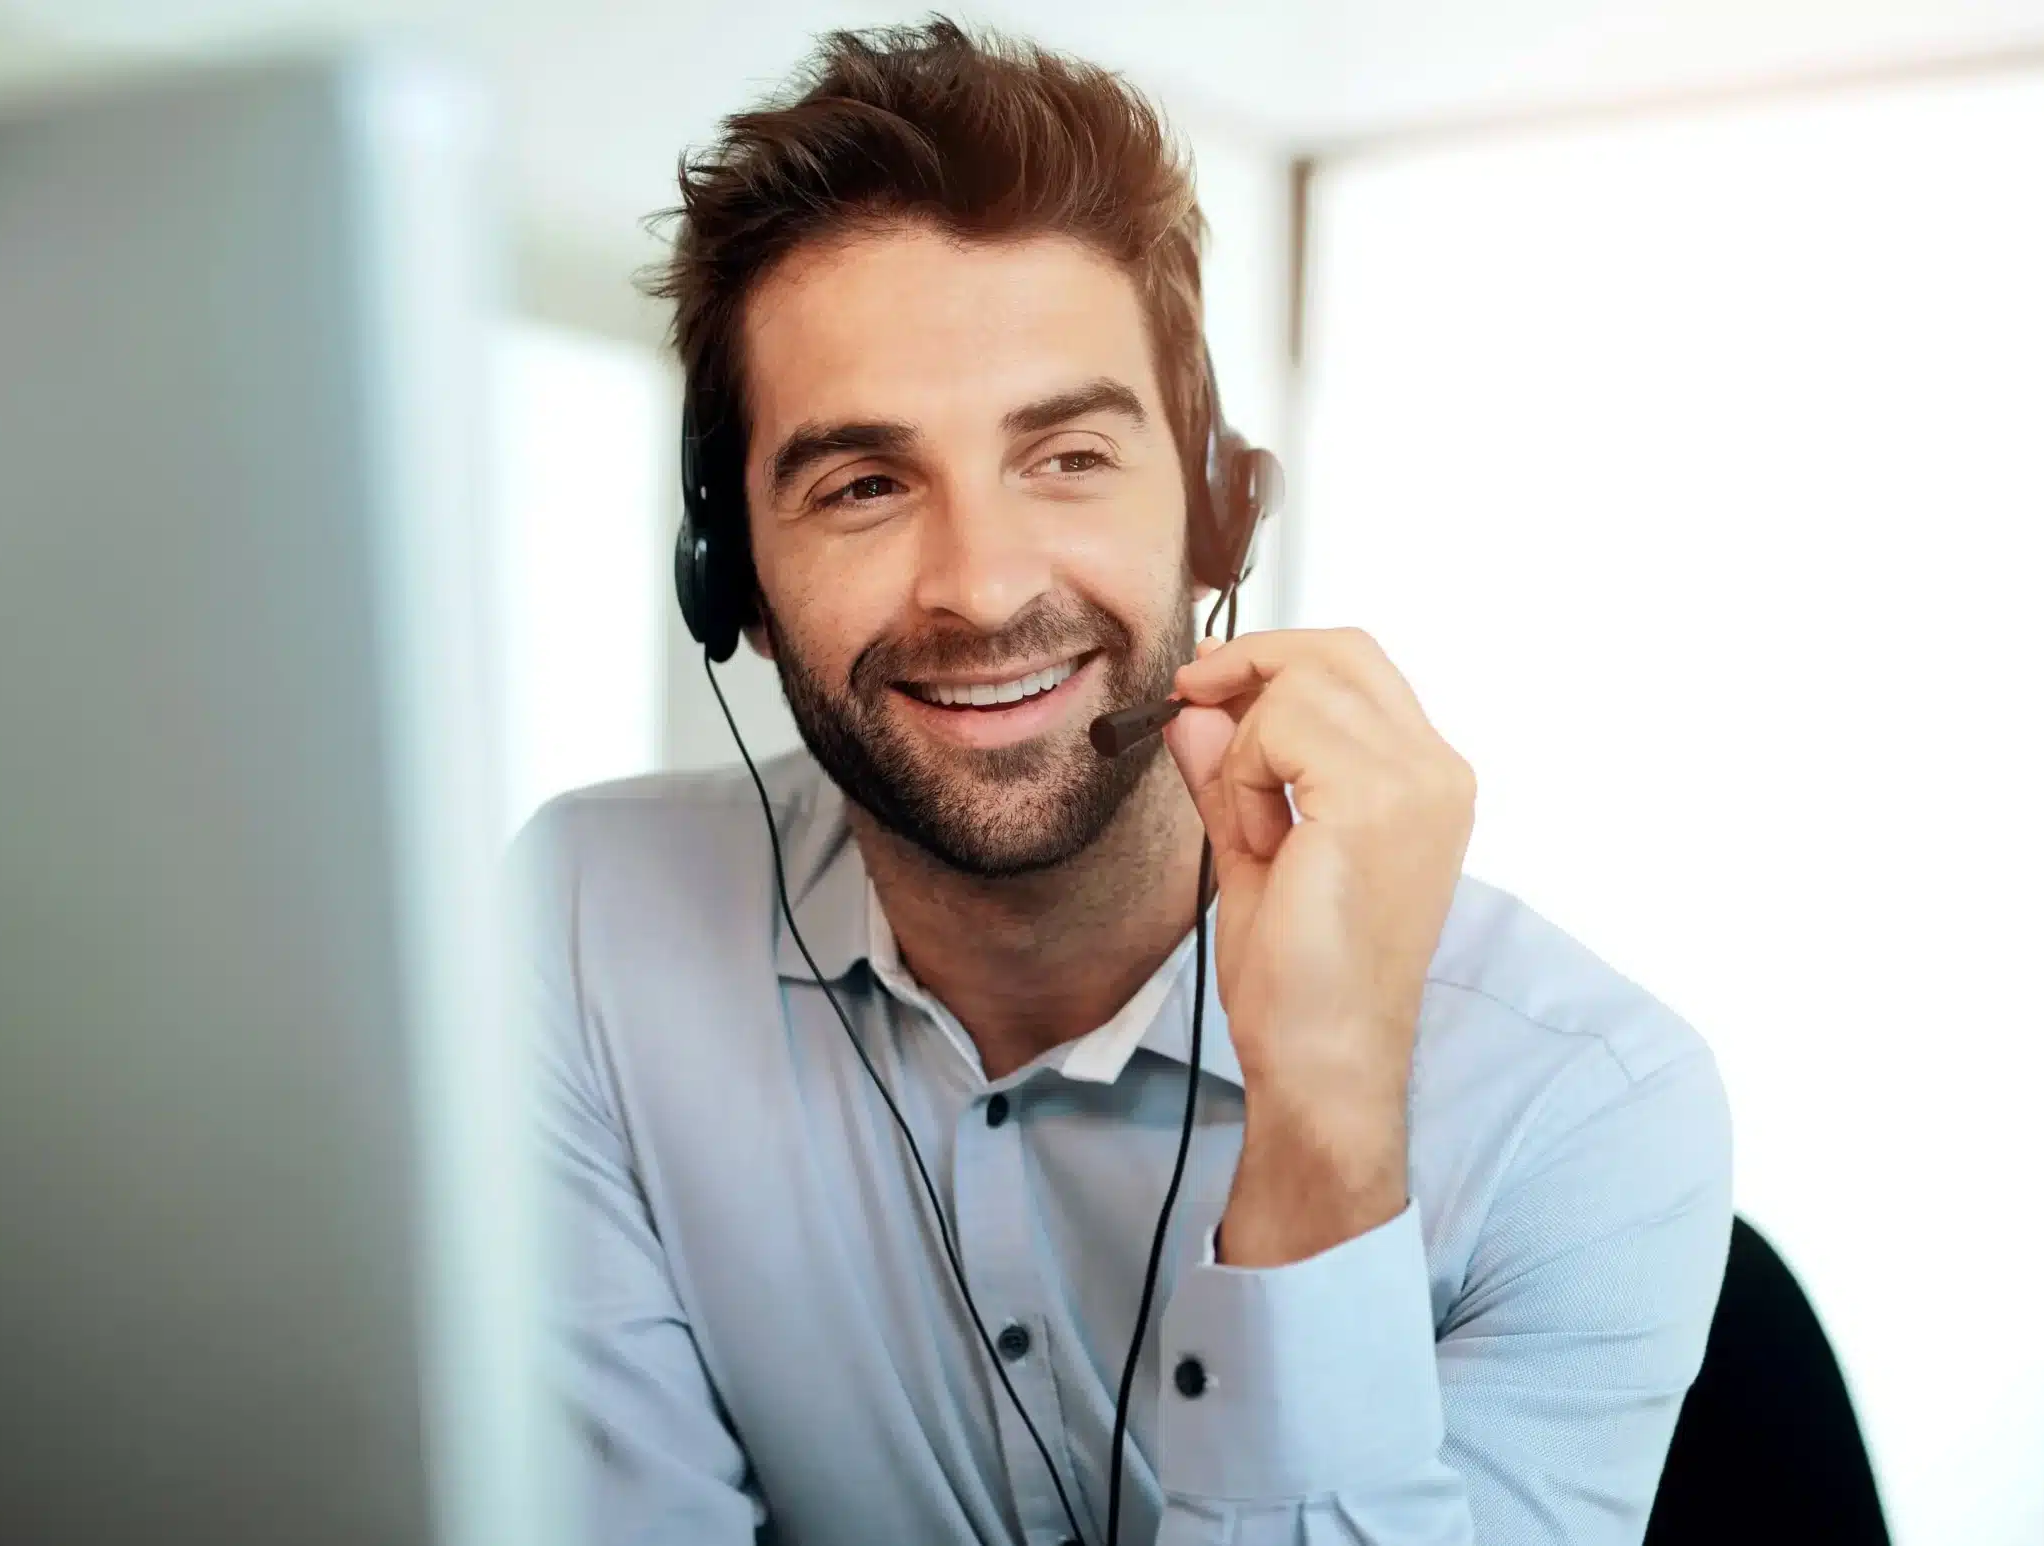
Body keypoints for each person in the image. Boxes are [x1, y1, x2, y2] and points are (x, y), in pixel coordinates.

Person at [511, 19, 1731, 1545]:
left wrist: (1328, 1122)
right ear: (730, 580)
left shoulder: (1574, 1106)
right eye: (865, 484)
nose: (977, 586)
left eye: (1068, 455)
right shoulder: (581, 931)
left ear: (1218, 514)